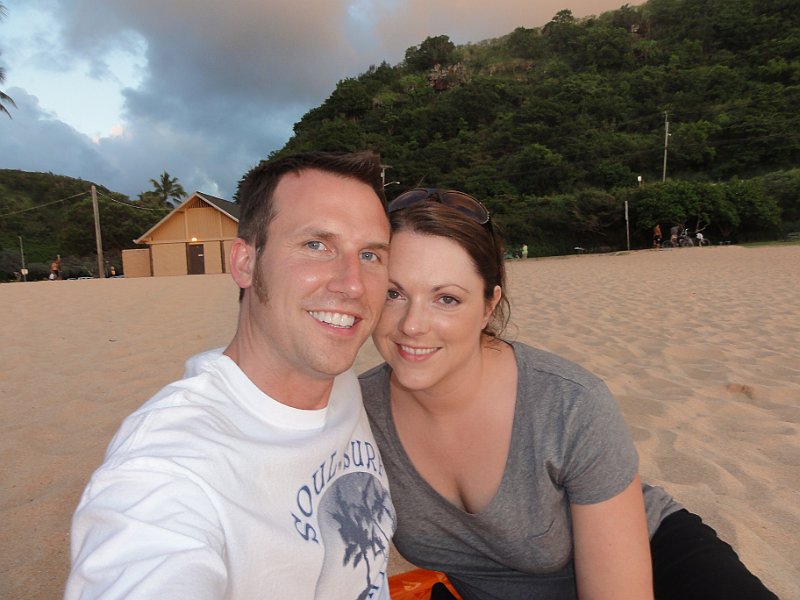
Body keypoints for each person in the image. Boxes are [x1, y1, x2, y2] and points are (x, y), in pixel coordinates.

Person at [359, 188, 776, 600]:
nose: (412, 325)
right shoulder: (355, 415)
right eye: (394, 293)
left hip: (654, 558)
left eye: (447, 298)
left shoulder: (568, 403)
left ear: (488, 306)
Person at [67, 151, 397, 599]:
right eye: (316, 245)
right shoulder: (165, 467)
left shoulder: (345, 387)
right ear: (244, 263)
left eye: (370, 254)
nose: (353, 283)